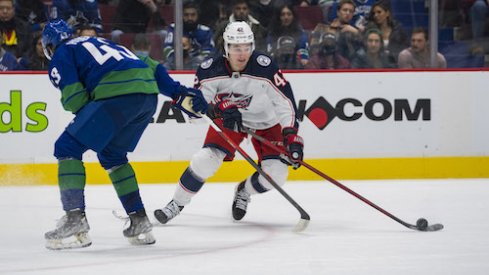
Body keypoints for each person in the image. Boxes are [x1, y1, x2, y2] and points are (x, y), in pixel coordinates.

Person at [41, 19, 207, 250]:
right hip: (147, 98)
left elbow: (73, 98)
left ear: (49, 47)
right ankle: (139, 220)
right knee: (112, 156)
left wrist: (93, 114)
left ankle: (74, 219)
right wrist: (178, 93)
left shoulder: (62, 53)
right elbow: (152, 65)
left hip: (116, 96)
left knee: (67, 147)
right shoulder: (102, 42)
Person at [154, 21, 304, 225]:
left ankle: (244, 191)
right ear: (226, 47)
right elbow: (195, 115)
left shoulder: (264, 67)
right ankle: (176, 203)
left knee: (277, 175)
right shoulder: (209, 71)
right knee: (205, 160)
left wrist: (291, 135)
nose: (242, 54)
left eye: (246, 47)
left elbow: (285, 103)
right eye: (236, 48)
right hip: (228, 122)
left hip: (266, 122)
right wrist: (216, 110)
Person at [163, 2, 215, 69]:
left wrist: (192, 56)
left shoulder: (206, 31)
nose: (189, 18)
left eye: (193, 15)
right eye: (186, 15)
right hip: (175, 65)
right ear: (181, 15)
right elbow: (167, 49)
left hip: (198, 66)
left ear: (198, 15)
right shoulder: (173, 29)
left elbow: (209, 53)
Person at [266, 4, 310, 69]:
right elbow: (269, 54)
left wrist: (303, 58)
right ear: (279, 17)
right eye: (283, 14)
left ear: (293, 16)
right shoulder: (272, 34)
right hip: (276, 68)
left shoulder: (300, 33)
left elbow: (303, 50)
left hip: (295, 68)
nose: (286, 17)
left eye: (289, 14)